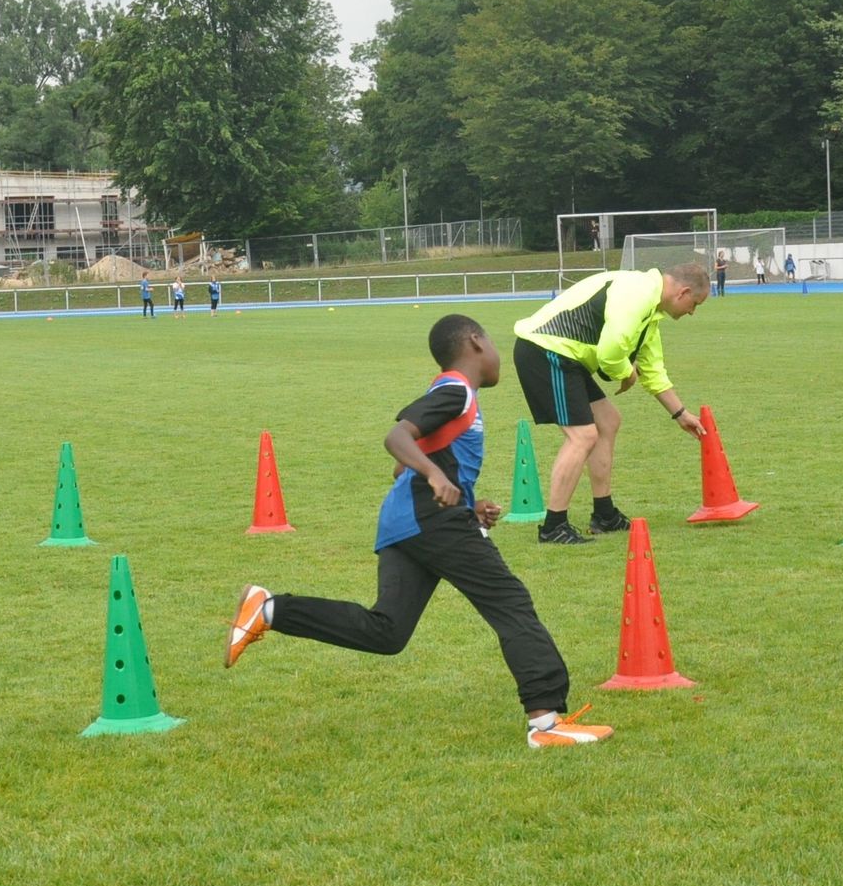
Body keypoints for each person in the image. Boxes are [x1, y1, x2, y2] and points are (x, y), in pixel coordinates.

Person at [224, 314, 607, 749]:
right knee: (510, 602)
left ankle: (269, 609)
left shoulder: (449, 394)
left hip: (406, 521)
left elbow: (402, 467)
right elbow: (397, 439)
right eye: (493, 343)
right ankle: (546, 723)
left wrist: (466, 503)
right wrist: (435, 477)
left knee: (387, 631)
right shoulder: (455, 391)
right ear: (476, 342)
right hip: (430, 520)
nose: (499, 355)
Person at [510, 263, 710, 544]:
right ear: (683, 292)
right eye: (695, 304)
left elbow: (653, 371)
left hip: (567, 356)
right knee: (582, 436)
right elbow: (610, 352)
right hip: (545, 350)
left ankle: (604, 515)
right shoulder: (637, 293)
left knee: (607, 421)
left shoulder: (651, 312)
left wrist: (680, 413)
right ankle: (553, 526)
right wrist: (627, 373)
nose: (692, 312)